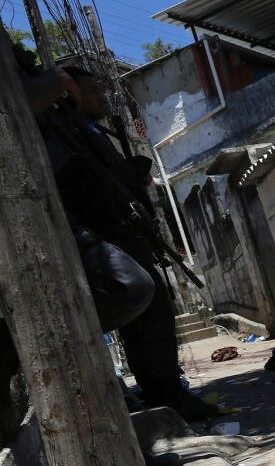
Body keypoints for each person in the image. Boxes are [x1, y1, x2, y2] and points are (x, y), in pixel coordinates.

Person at [33, 64, 216, 420]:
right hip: (109, 233)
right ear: (70, 94)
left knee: (152, 311)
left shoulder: (86, 131)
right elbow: (81, 186)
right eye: (92, 91)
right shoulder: (63, 131)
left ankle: (164, 391)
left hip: (127, 229)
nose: (103, 98)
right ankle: (164, 392)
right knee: (149, 308)